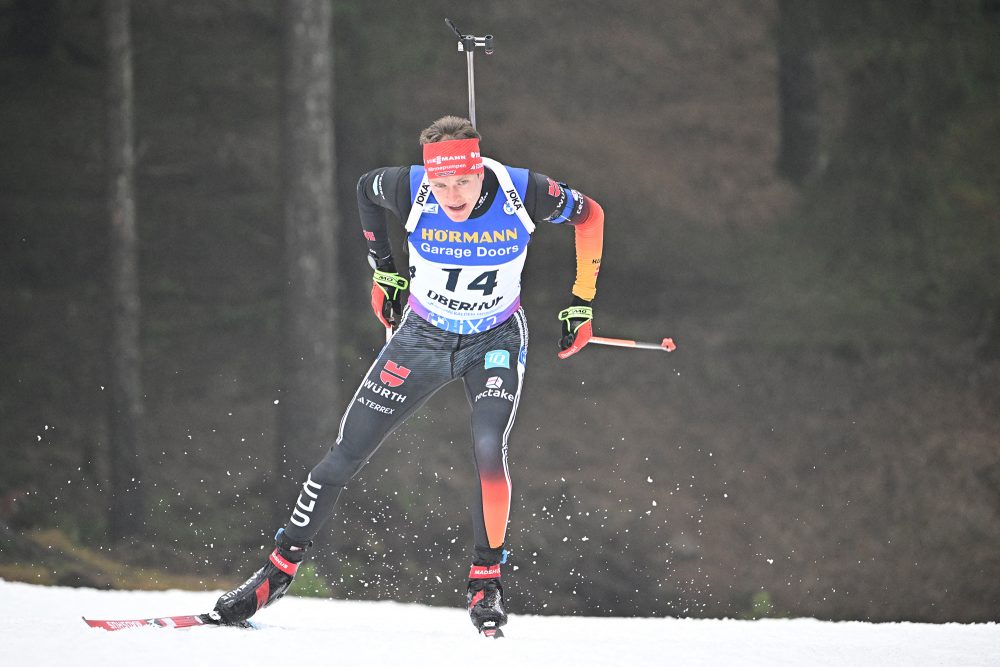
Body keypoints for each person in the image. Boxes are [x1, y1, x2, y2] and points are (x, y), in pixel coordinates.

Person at [213, 116, 605, 634]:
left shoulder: (523, 191)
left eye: (462, 181)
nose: (450, 195)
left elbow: (590, 215)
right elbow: (364, 191)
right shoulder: (407, 188)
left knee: (489, 447)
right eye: (440, 183)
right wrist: (384, 269)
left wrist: (581, 303)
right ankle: (278, 570)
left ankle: (485, 582)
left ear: (478, 169)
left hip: (495, 338)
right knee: (345, 452)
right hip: (421, 336)